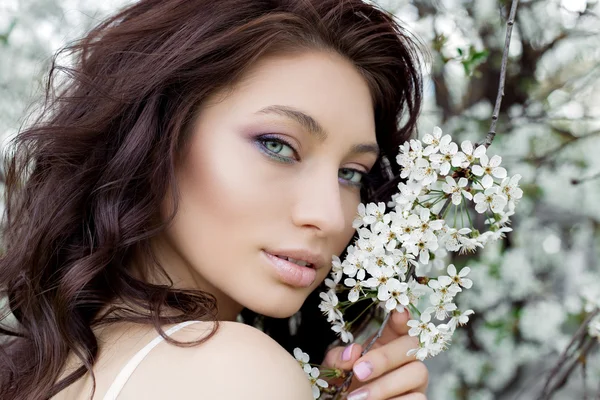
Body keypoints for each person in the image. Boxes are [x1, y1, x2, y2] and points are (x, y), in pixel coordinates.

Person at [0, 0, 429, 399]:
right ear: (156, 135)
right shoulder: (237, 370)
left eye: (351, 174)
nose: (331, 216)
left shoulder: (58, 364)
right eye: (277, 146)